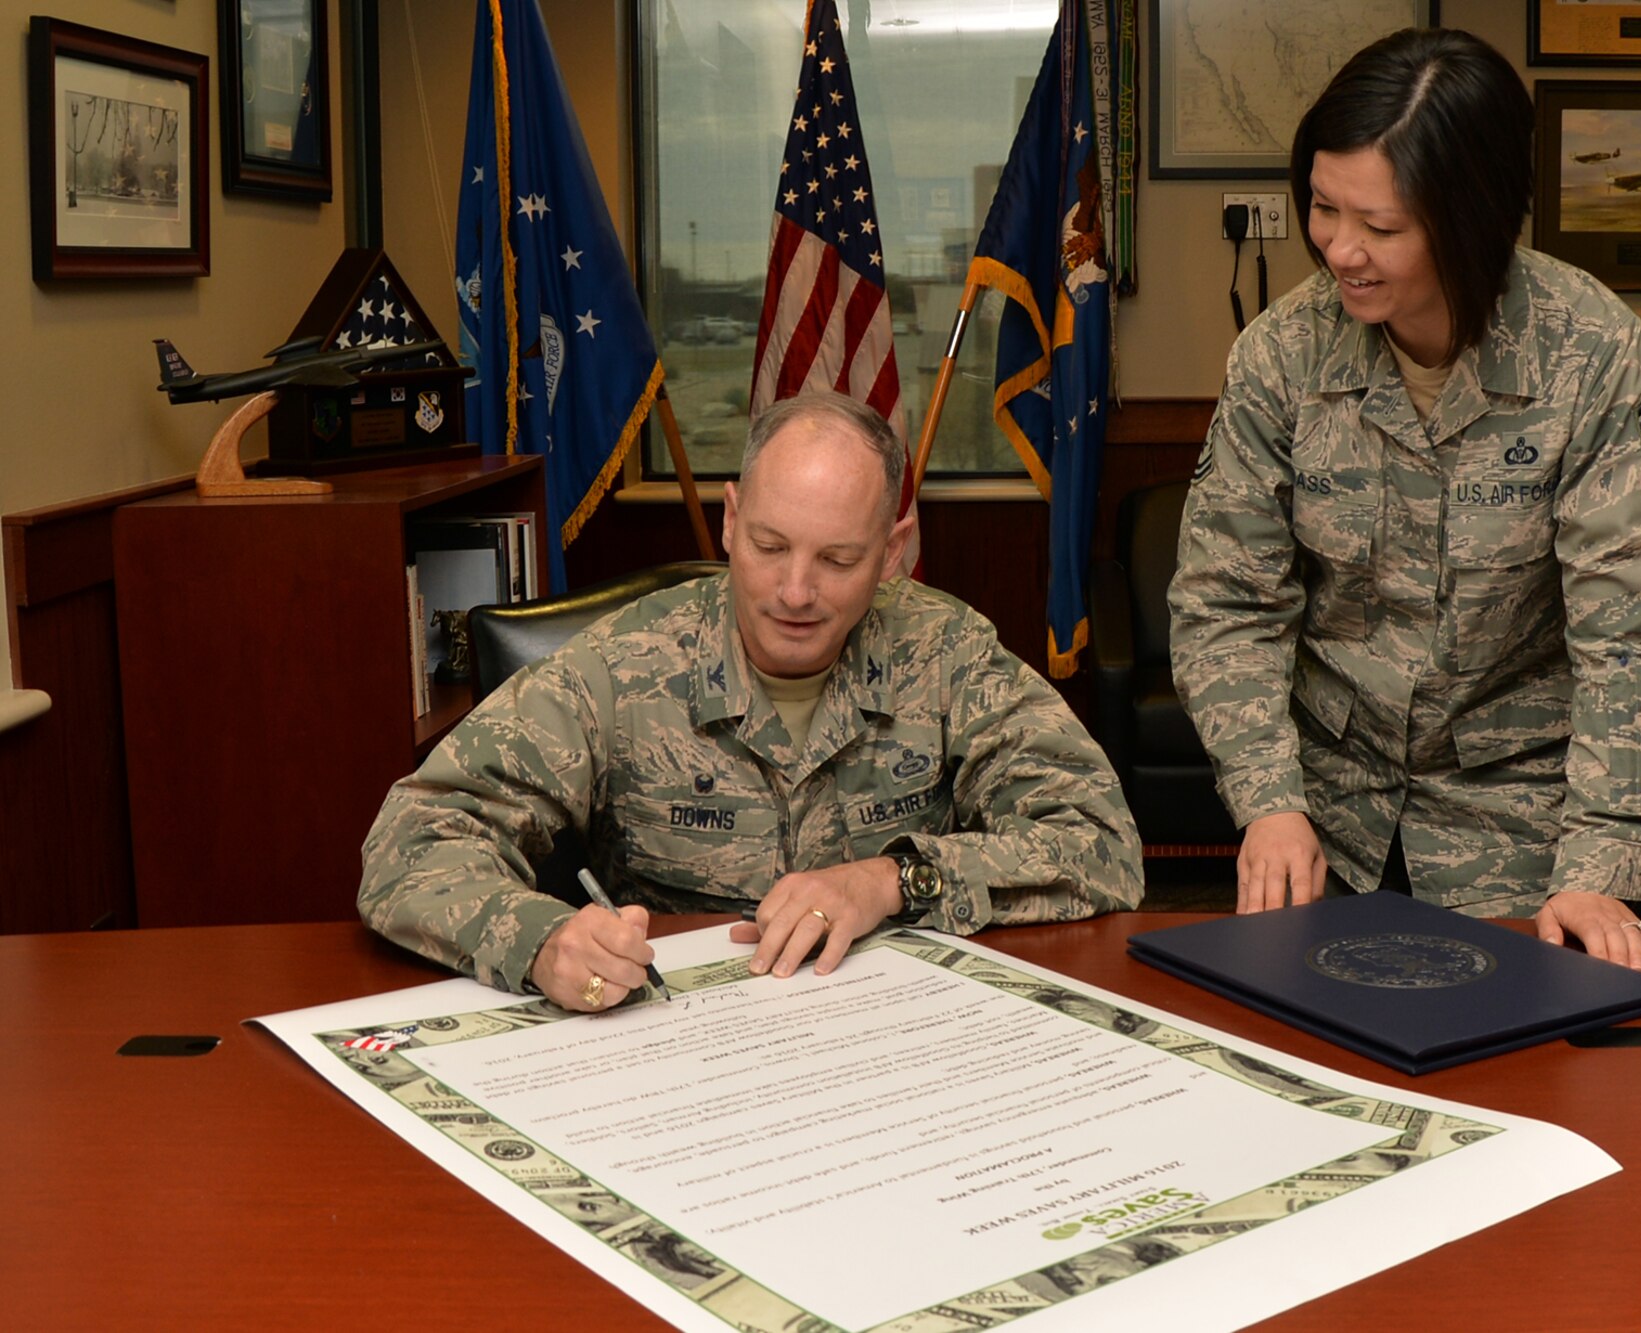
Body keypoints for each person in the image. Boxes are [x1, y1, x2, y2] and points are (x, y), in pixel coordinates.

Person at [1168, 27, 1641, 969]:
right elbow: (1228, 601)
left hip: (1525, 832)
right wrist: (1269, 800)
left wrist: (1600, 865)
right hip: (1326, 821)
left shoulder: (1589, 351)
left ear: (1471, 218)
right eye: (1323, 209)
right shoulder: (1281, 355)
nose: (1342, 250)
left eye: (1381, 227)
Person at [359, 392, 1142, 1009]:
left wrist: (892, 881)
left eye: (838, 559)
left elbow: (1099, 841)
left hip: (898, 1040)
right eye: (770, 546)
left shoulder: (943, 653)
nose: (795, 592)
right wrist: (538, 939)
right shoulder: (626, 665)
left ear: (893, 554)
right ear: (731, 522)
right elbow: (411, 841)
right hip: (672, 1043)